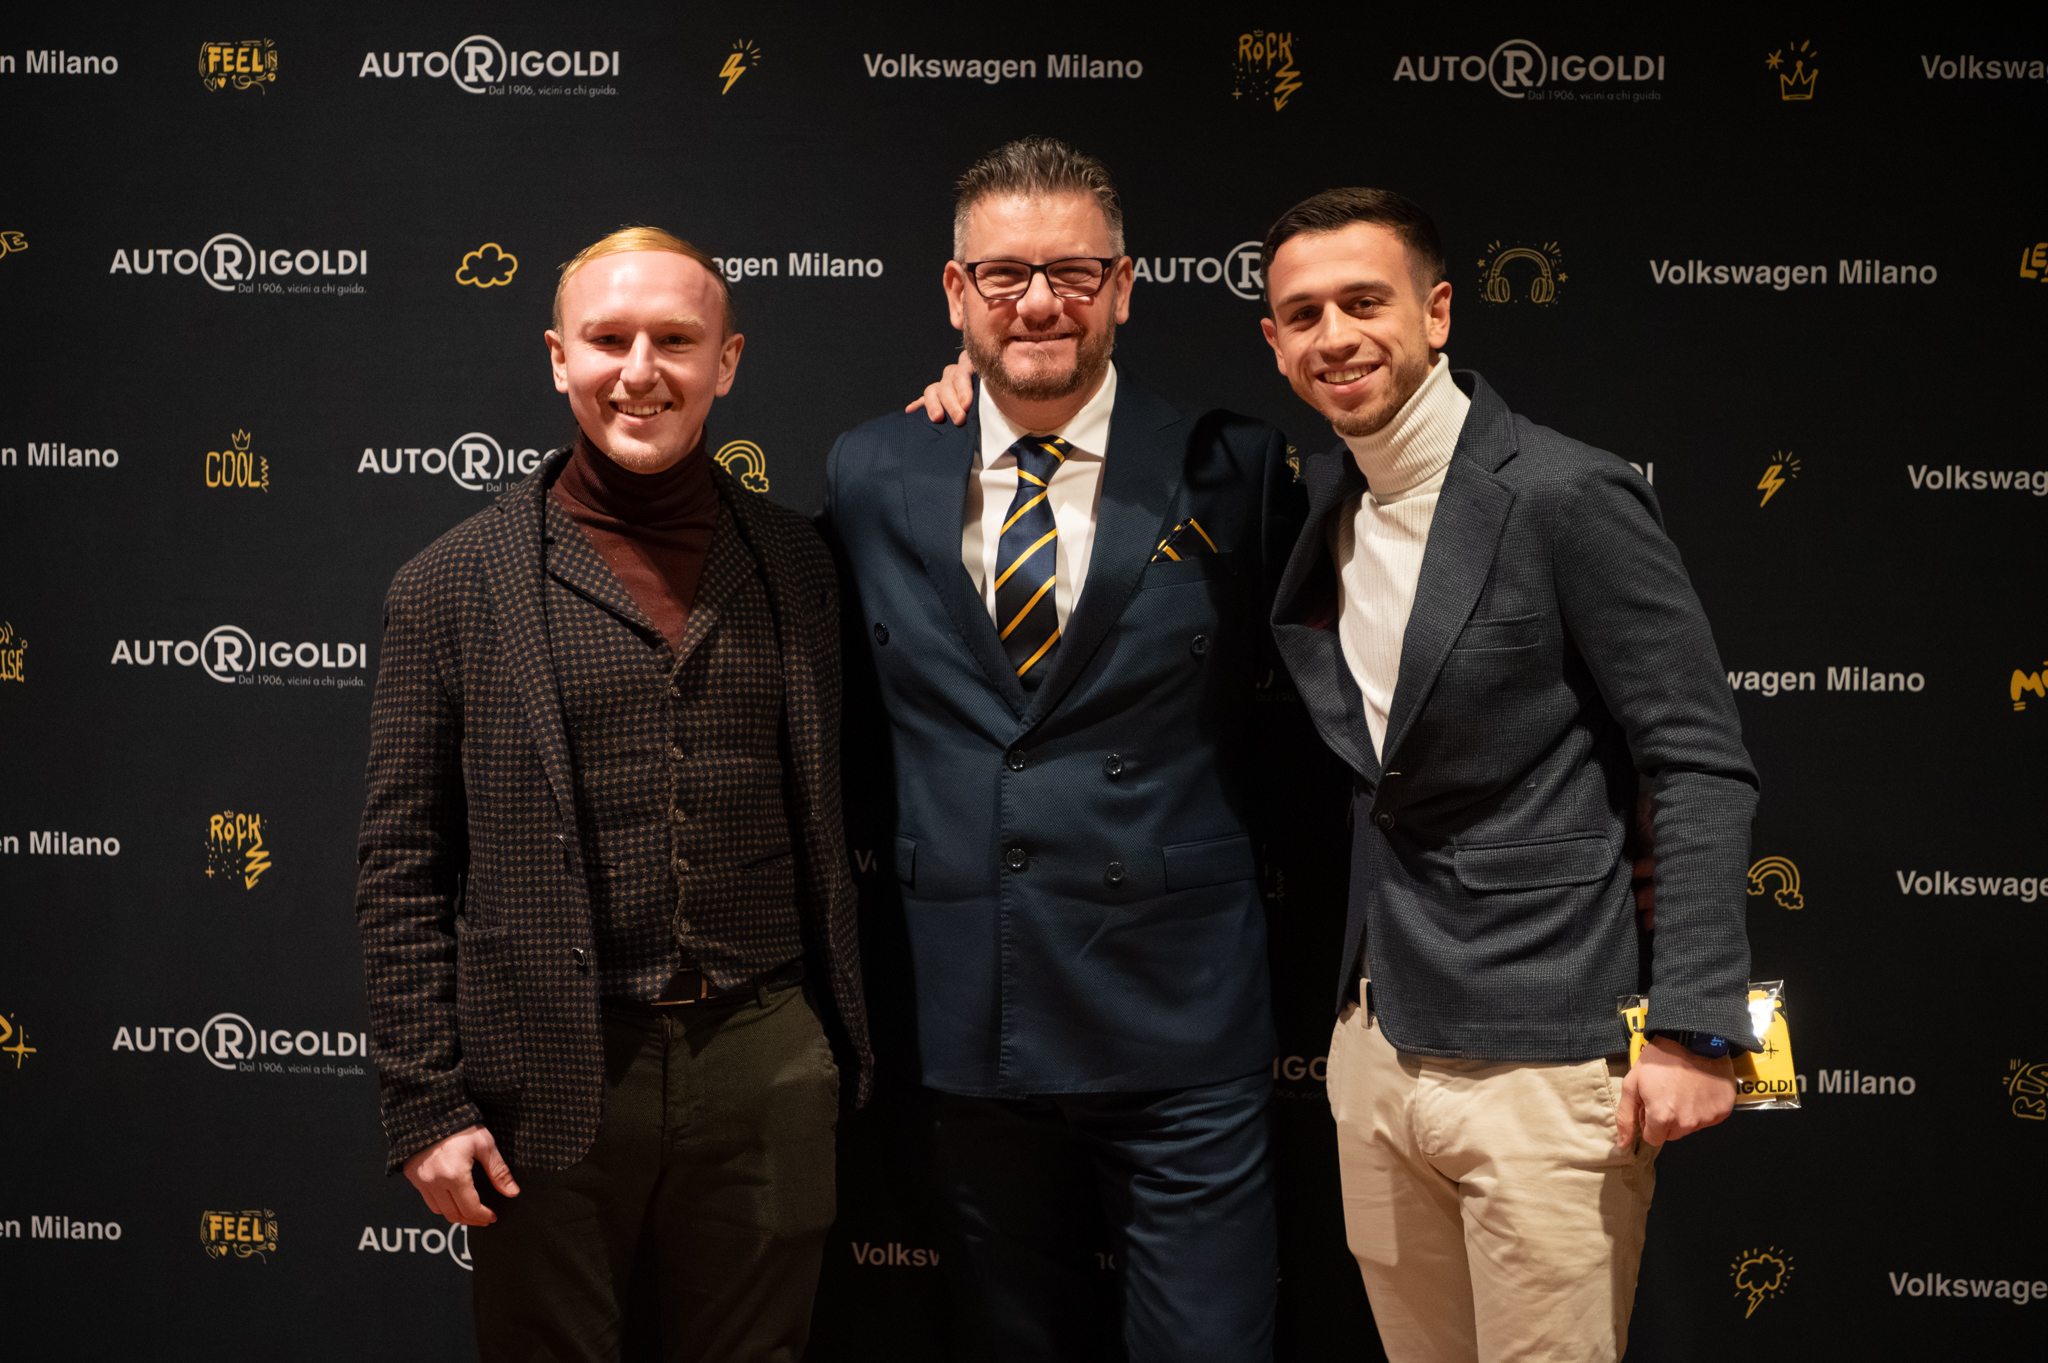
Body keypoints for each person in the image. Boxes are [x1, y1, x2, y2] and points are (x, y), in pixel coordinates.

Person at [1259, 188, 1760, 1362]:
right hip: (1375, 1046)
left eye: (1364, 301)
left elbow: (1695, 757)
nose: (1335, 335)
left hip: (1545, 1056)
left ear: (1435, 312)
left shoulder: (1563, 493)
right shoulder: (1322, 505)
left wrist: (1693, 1025)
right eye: (1304, 313)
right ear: (1274, 343)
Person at [819, 137, 1298, 1362]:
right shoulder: (872, 469)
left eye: (1074, 273)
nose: (1039, 302)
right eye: (1004, 274)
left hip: (1181, 1012)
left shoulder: (1235, 469)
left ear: (1122, 286)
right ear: (955, 292)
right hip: (967, 1009)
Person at [354, 225, 868, 1362]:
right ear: (558, 358)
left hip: (767, 1055)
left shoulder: (800, 563)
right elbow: (402, 864)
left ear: (726, 361)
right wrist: (425, 1100)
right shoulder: (447, 584)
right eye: (608, 340)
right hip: (541, 1071)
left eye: (675, 340)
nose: (641, 371)